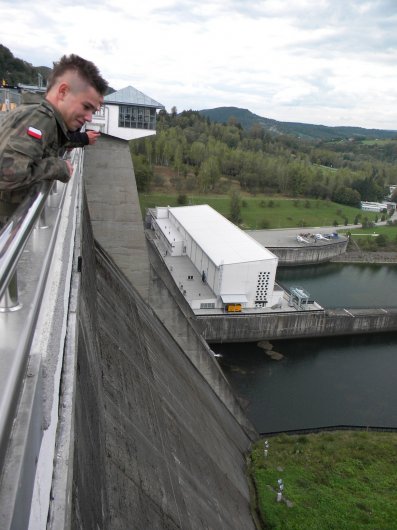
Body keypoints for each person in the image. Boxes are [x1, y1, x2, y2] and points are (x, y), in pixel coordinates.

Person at [0, 54, 108, 225]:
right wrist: (59, 167)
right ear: (63, 91)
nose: (89, 118)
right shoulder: (41, 118)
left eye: (93, 112)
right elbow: (7, 174)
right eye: (86, 107)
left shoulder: (45, 117)